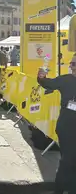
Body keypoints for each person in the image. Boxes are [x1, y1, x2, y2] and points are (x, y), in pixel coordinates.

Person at [38, 54, 76, 194]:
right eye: (71, 63)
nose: (72, 66)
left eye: (75, 64)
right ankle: (59, 189)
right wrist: (41, 75)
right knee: (68, 159)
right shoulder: (66, 80)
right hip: (67, 126)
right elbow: (45, 82)